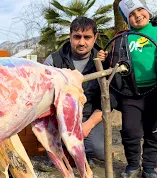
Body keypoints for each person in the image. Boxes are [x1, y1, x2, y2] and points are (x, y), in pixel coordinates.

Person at [97, 0, 157, 178]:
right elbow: (113, 64)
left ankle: (150, 168)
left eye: (140, 10)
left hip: (156, 92)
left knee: (153, 131)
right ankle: (132, 165)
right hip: (130, 93)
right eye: (131, 14)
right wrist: (104, 59)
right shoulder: (121, 38)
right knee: (130, 131)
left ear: (148, 12)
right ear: (127, 19)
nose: (137, 15)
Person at [43, 16, 115, 165]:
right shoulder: (54, 61)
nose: (82, 42)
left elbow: (110, 100)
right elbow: (43, 94)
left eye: (87, 37)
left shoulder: (104, 62)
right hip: (60, 117)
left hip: (90, 117)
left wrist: (87, 126)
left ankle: (85, 152)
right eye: (77, 37)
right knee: (49, 136)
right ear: (70, 36)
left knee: (99, 150)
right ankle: (61, 152)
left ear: (95, 37)